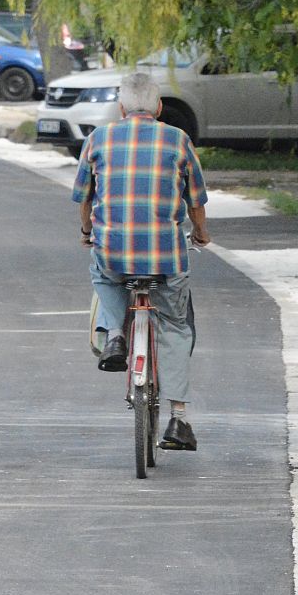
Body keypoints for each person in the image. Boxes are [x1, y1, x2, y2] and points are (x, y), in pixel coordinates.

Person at [73, 72, 211, 451]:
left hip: (113, 251)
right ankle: (179, 420)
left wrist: (88, 230)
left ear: (120, 108)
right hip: (166, 256)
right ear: (160, 108)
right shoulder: (178, 139)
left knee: (103, 276)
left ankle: (116, 336)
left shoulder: (98, 139)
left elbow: (83, 197)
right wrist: (201, 232)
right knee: (177, 326)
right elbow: (195, 200)